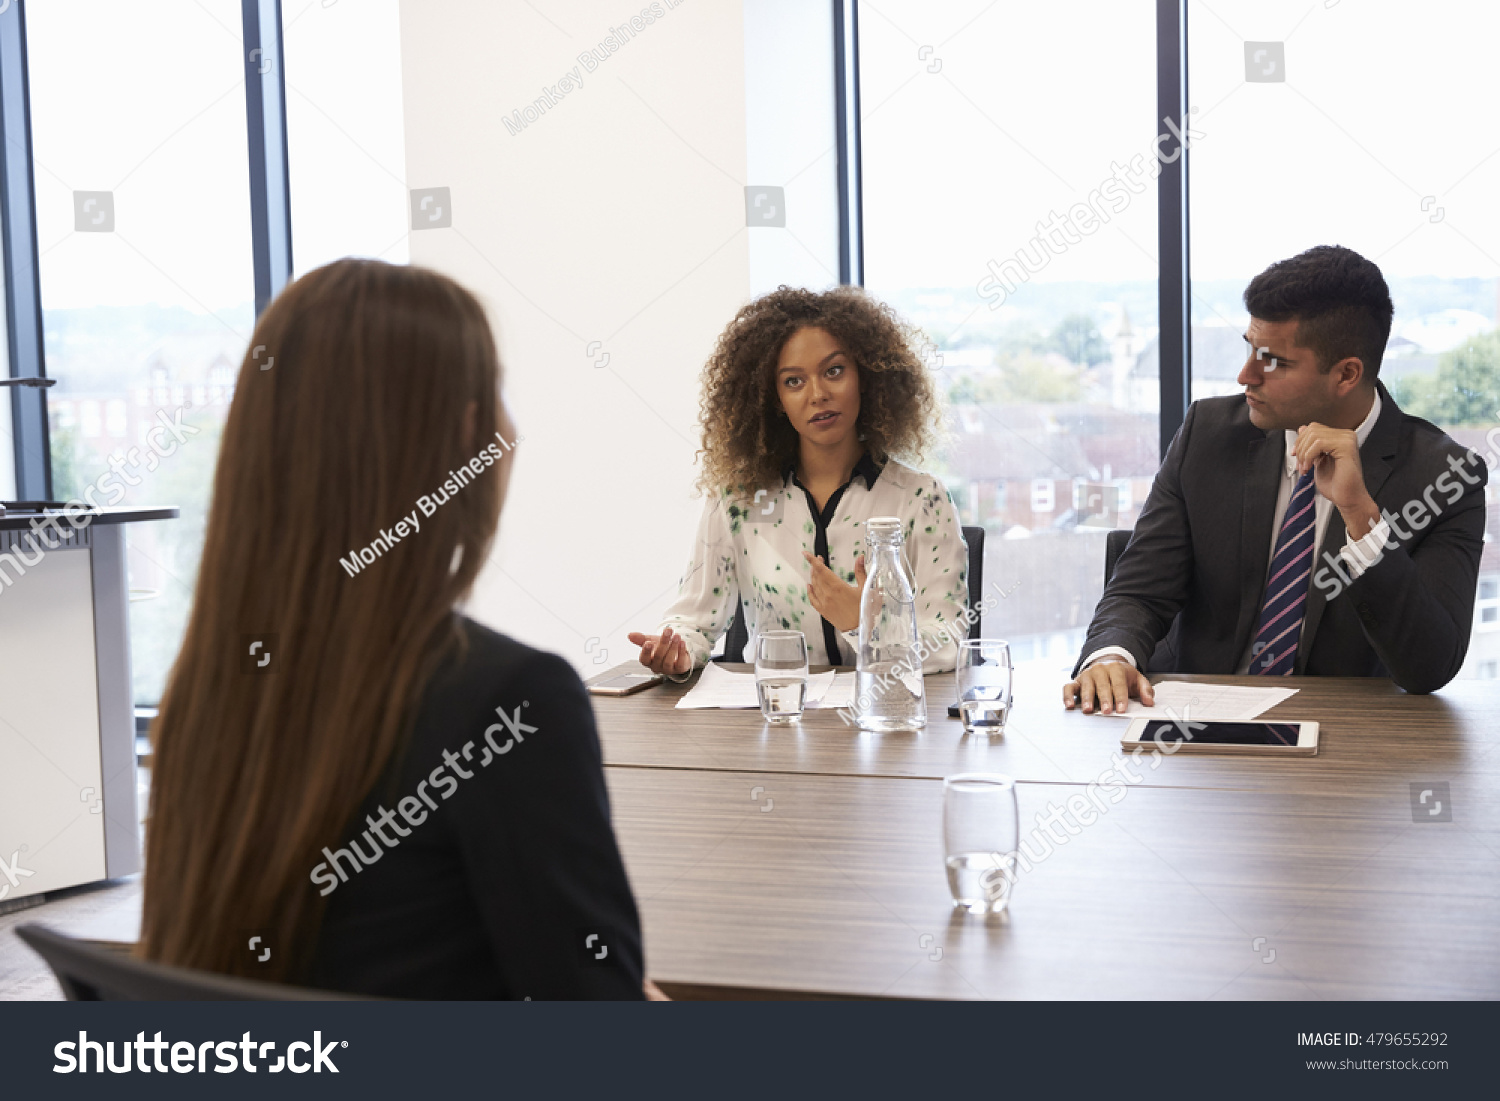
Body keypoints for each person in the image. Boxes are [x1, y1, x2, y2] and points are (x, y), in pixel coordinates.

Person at [139, 259, 645, 999]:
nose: (513, 428)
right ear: (466, 434)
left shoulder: (208, 693)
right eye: (496, 394)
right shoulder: (510, 701)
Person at [1065, 245, 1487, 713]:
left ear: (1346, 374)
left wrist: (1361, 518)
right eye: (1250, 348)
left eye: (1272, 361)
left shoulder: (1446, 479)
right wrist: (1111, 656)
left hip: (1345, 737)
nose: (1245, 375)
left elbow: (1428, 668)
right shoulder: (1207, 435)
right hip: (1192, 724)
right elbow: (1140, 592)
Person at [630, 286, 969, 676]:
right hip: (775, 707)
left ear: (865, 376)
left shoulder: (922, 499)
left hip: (885, 709)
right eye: (793, 381)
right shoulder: (736, 501)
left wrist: (863, 624)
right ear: (774, 398)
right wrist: (677, 652)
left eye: (834, 371)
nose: (818, 394)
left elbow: (949, 643)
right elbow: (692, 622)